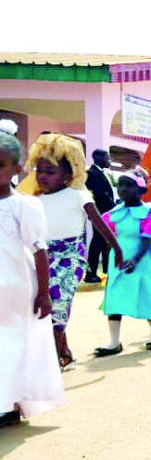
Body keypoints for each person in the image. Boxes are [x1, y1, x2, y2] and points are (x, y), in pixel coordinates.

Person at [24, 134, 123, 370]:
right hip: (41, 257)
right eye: (40, 170)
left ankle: (47, 365)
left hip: (70, 256)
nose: (43, 176)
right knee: (44, 305)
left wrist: (117, 251)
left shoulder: (79, 195)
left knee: (58, 305)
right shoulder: (34, 199)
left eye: (50, 171)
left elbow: (101, 225)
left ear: (67, 175)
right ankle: (65, 354)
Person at [0, 123, 64, 426]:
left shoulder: (23, 205)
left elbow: (40, 251)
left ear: (16, 168)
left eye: (0, 165)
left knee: (13, 343)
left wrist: (43, 292)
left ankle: (11, 403)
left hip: (15, 287)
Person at [95, 167, 151, 356]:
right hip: (118, 260)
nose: (123, 189)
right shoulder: (114, 213)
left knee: (147, 294)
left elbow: (147, 240)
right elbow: (109, 237)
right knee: (115, 297)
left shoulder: (149, 214)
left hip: (143, 260)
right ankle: (114, 342)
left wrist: (135, 260)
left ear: (142, 191)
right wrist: (108, 262)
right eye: (120, 185)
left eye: (129, 186)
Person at [84, 148, 117, 283]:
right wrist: (114, 207)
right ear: (99, 158)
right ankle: (91, 273)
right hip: (100, 214)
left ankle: (104, 270)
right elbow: (100, 195)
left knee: (102, 242)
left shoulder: (101, 173)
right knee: (97, 242)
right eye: (108, 157)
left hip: (105, 214)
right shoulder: (92, 173)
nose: (109, 161)